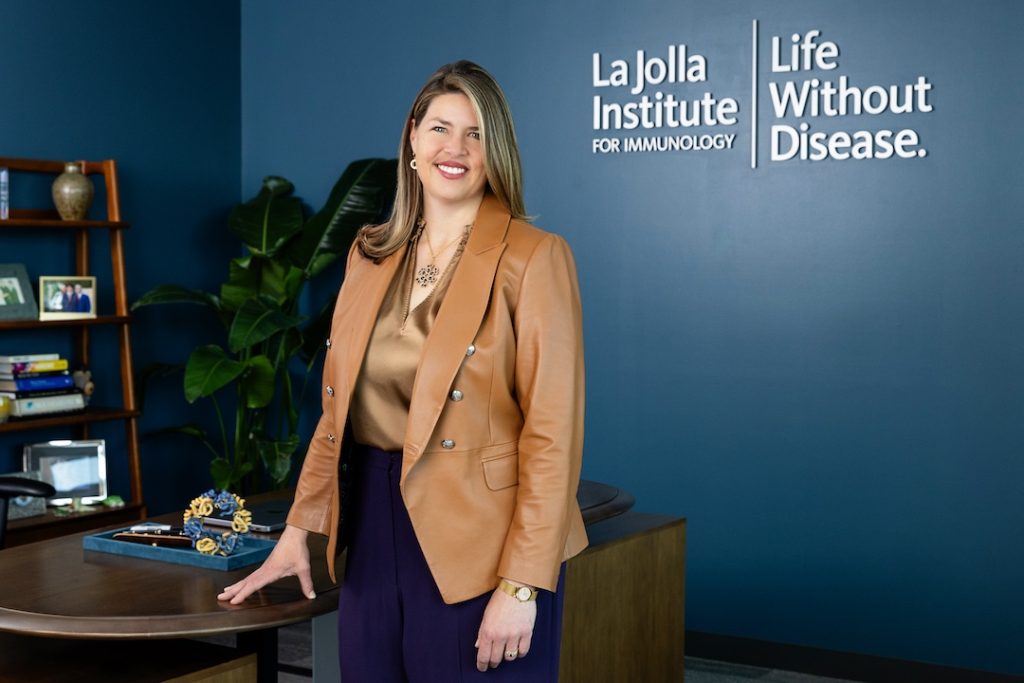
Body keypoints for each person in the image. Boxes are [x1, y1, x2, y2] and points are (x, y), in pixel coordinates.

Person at [219, 60, 587, 681]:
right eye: (440, 128)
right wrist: (299, 531)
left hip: (480, 538)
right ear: (412, 138)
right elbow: (338, 413)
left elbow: (553, 437)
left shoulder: (535, 257)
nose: (456, 149)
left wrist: (523, 585)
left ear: (495, 150)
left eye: (475, 134)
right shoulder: (370, 252)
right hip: (370, 525)